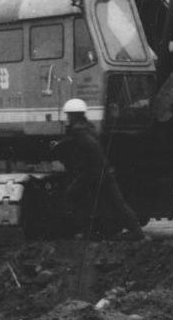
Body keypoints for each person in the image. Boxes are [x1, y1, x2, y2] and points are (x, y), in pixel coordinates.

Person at [57, 99, 145, 239]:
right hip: (101, 173)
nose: (67, 118)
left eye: (68, 115)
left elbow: (92, 149)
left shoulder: (79, 131)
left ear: (73, 116)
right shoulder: (87, 128)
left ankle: (87, 232)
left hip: (93, 174)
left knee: (74, 198)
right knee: (116, 203)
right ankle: (136, 232)